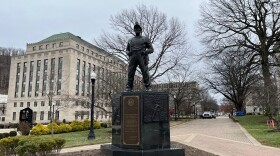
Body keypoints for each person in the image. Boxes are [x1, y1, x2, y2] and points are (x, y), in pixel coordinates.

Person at [125, 22, 154, 92]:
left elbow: (151, 49)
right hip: (133, 57)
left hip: (142, 57)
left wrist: (145, 52)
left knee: (145, 72)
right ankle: (129, 87)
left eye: (138, 28)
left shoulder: (145, 39)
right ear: (134, 30)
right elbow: (127, 50)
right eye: (135, 28)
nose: (137, 29)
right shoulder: (130, 40)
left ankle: (148, 87)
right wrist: (129, 53)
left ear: (141, 30)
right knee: (130, 72)